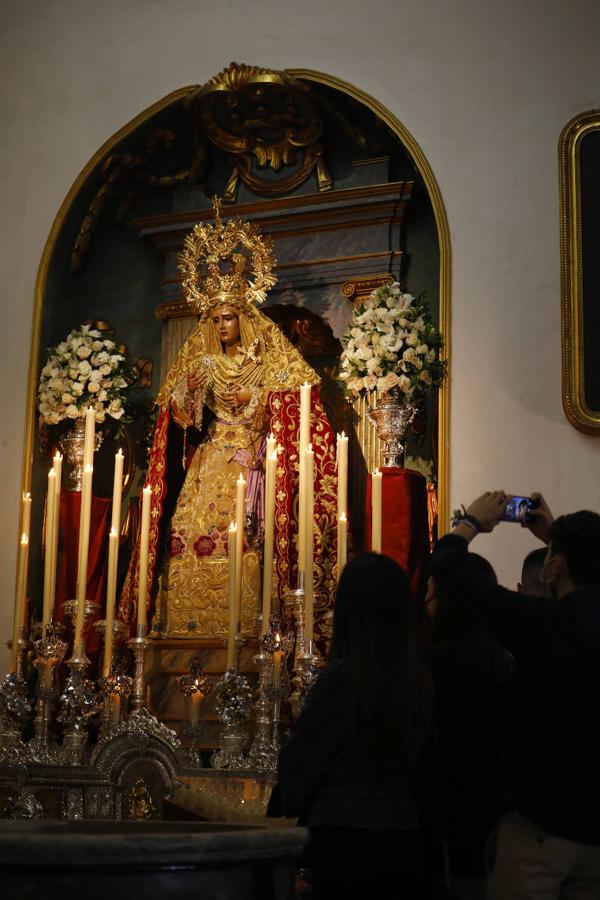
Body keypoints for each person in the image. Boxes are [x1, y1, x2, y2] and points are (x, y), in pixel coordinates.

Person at [119, 200, 339, 638]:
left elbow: (291, 406)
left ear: (243, 318)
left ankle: (250, 621)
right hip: (211, 458)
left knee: (247, 533)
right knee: (188, 532)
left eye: (228, 317)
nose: (221, 325)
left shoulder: (266, 359)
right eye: (215, 318)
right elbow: (179, 420)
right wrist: (188, 395)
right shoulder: (201, 361)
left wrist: (257, 398)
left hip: (249, 459)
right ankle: (182, 626)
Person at [430, 491, 600, 900]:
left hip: (540, 831)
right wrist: (556, 542)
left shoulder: (545, 626)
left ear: (555, 566)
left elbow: (449, 568)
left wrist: (471, 523)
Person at [275, 553, 435, 899]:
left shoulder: (344, 678)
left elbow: (302, 761)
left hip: (341, 837)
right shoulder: (417, 679)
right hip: (402, 832)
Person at [425, 557, 513, 899]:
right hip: (497, 821)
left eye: (430, 594)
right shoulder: (507, 667)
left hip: (445, 817)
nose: (424, 602)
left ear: (445, 603)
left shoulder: (430, 669)